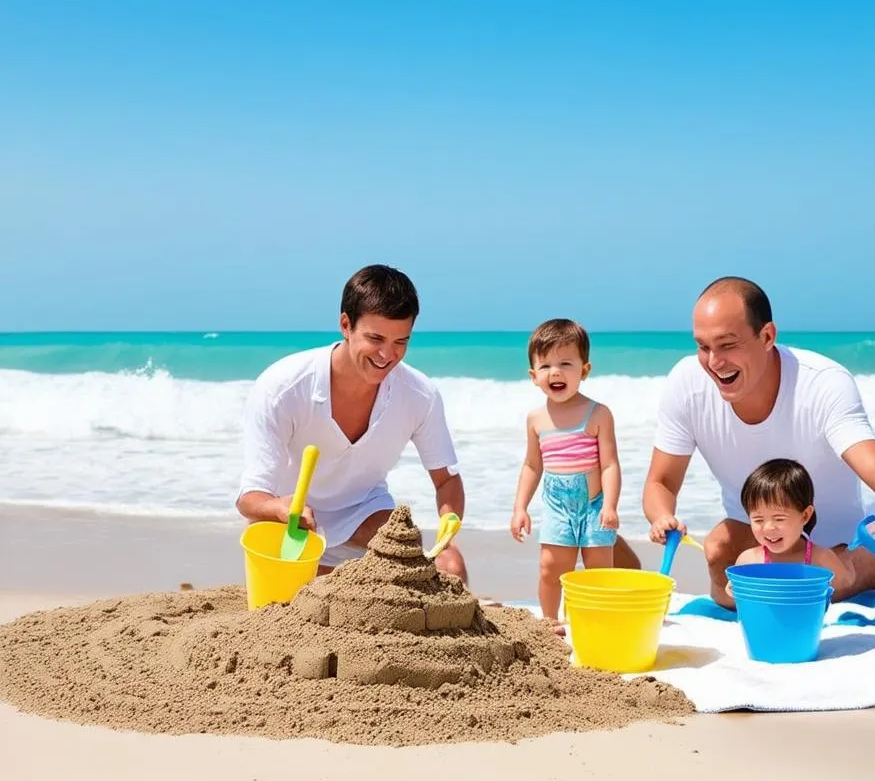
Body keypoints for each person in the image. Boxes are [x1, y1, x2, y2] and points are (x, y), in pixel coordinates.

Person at [643, 276, 875, 606]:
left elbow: (858, 443)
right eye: (703, 347)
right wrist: (662, 516)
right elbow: (661, 481)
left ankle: (872, 563)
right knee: (720, 560)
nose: (714, 362)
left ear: (767, 336)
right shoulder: (686, 384)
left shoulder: (823, 382)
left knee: (825, 582)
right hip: (760, 534)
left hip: (837, 544)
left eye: (727, 345)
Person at [236, 264, 468, 582]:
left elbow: (447, 481)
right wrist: (279, 507)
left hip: (363, 513)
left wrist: (448, 535)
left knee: (449, 568)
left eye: (401, 341)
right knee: (301, 598)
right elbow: (250, 498)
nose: (387, 355)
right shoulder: (283, 388)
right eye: (375, 338)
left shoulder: (419, 394)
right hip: (290, 524)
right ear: (346, 324)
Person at [510, 319, 621, 619]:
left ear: (584, 370)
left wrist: (609, 505)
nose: (555, 372)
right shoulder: (536, 419)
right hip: (557, 506)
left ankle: (599, 620)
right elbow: (532, 465)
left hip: (593, 505)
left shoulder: (597, 414)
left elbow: (609, 464)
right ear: (533, 376)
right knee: (550, 567)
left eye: (565, 363)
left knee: (599, 572)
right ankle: (550, 623)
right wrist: (520, 507)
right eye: (545, 366)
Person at [724, 458, 854, 598]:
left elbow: (846, 583)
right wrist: (733, 589)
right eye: (758, 519)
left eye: (779, 519)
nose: (768, 528)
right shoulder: (749, 559)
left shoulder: (821, 558)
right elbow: (732, 589)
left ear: (805, 516)